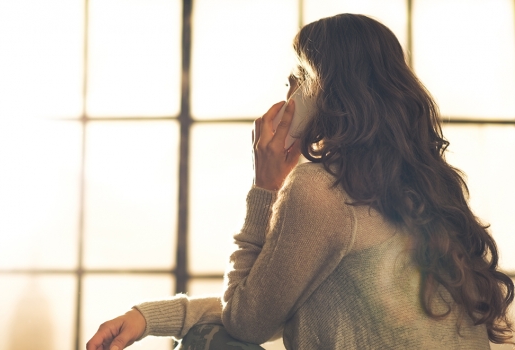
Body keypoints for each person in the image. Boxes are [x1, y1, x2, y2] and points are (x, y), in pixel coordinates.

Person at [86, 14, 514, 350]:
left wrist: (265, 189)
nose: (287, 89)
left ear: (330, 91)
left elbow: (247, 321)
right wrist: (150, 317)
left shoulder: (317, 190)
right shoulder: (424, 187)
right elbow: (275, 300)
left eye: (298, 76)